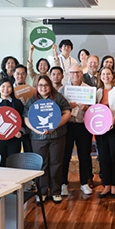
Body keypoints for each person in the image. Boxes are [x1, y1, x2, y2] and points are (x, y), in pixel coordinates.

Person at [24, 75, 71, 203]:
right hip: (38, 138)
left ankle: (56, 191)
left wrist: (55, 126)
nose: (43, 88)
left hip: (57, 136)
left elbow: (67, 113)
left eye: (46, 85)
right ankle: (42, 191)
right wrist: (36, 130)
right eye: (40, 85)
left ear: (50, 86)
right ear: (36, 87)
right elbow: (26, 118)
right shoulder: (32, 100)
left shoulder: (58, 98)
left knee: (56, 163)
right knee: (42, 164)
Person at [59, 64, 94, 196]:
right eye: (72, 72)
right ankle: (63, 183)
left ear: (81, 74)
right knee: (65, 155)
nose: (75, 75)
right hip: (67, 126)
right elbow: (57, 107)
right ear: (69, 74)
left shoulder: (89, 89)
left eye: (78, 72)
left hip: (83, 126)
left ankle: (84, 182)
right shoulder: (63, 89)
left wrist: (86, 108)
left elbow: (94, 109)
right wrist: (67, 105)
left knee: (84, 155)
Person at [95, 67, 115, 199]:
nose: (106, 76)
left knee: (114, 156)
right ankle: (106, 184)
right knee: (104, 157)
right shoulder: (98, 92)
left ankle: (114, 185)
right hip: (100, 129)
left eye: (108, 74)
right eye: (103, 74)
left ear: (113, 76)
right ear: (100, 76)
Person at [0, 78, 24, 166]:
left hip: (14, 140)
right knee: (0, 164)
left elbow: (23, 121)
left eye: (8, 87)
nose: (6, 89)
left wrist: (20, 132)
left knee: (14, 164)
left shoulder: (17, 103)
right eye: (3, 86)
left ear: (12, 89)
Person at [13, 64, 33, 153]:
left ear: (26, 75)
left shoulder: (31, 90)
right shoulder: (7, 90)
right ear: (13, 74)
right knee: (14, 154)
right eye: (18, 74)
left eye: (23, 74)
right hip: (14, 127)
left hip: (28, 127)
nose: (20, 76)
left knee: (29, 152)